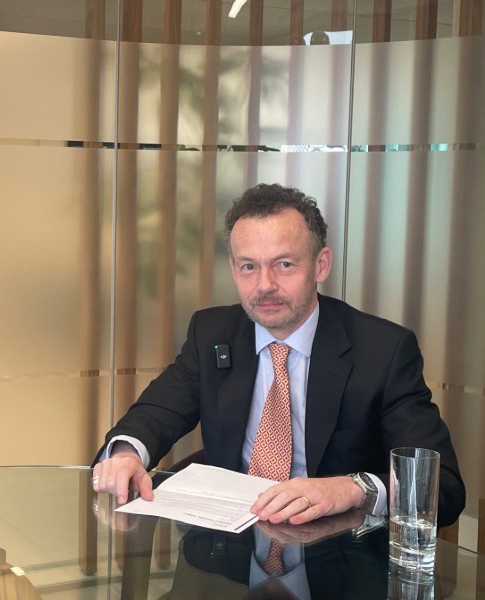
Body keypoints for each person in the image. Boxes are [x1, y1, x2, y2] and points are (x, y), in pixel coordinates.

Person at [92, 183, 465, 528]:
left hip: (336, 554)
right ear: (234, 269)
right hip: (225, 553)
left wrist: (352, 489)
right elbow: (156, 413)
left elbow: (442, 487)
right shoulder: (212, 333)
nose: (265, 285)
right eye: (249, 266)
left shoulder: (383, 351)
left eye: (284, 264)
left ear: (320, 265)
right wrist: (126, 454)